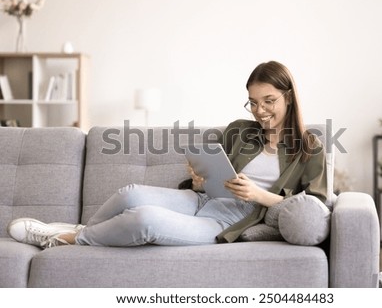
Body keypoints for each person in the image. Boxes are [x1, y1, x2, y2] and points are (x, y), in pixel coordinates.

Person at [7, 60, 327, 248]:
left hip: (228, 220)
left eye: (268, 100)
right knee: (131, 194)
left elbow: (315, 206)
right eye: (253, 102)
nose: (260, 110)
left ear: (288, 96)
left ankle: (64, 240)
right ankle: (81, 230)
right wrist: (202, 181)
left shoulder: (309, 148)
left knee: (145, 220)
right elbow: (219, 174)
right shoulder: (239, 130)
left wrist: (259, 195)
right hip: (204, 200)